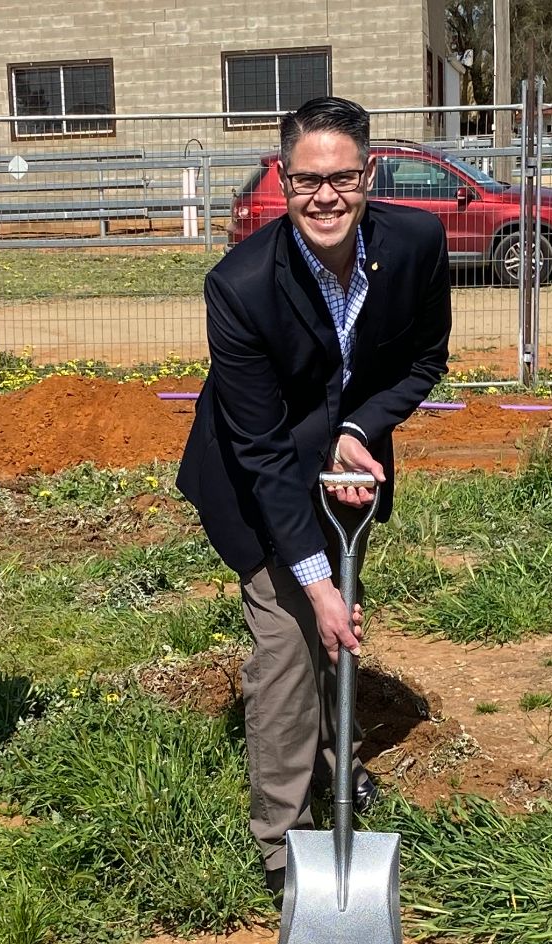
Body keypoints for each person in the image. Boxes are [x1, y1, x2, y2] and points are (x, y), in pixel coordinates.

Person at [177, 97, 449, 900]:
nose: (324, 196)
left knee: (330, 630)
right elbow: (261, 453)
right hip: (250, 473)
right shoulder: (239, 285)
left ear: (368, 175)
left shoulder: (417, 243)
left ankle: (334, 765)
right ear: (283, 181)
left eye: (340, 178)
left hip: (345, 470)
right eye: (305, 180)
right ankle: (285, 845)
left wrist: (360, 426)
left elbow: (424, 358)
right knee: (292, 644)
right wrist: (318, 585)